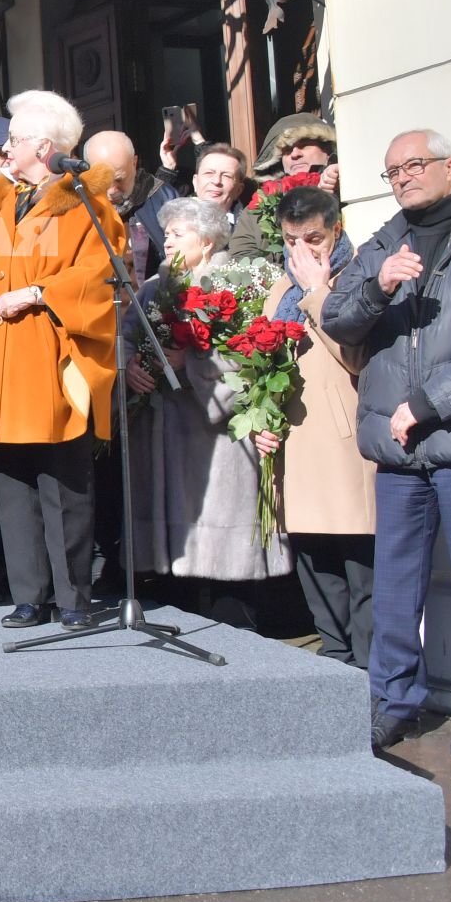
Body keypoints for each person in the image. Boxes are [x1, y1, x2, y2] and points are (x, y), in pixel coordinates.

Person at [323, 129, 451, 761]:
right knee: (396, 583)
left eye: (416, 164)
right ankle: (394, 701)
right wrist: (376, 286)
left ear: (450, 167)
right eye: (392, 170)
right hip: (398, 448)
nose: (405, 176)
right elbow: (337, 318)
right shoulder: (382, 245)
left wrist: (427, 405)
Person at [0, 89, 121, 632]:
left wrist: (37, 293)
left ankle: (73, 598)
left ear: (44, 146)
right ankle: (28, 595)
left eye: (13, 138)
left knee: (61, 480)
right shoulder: (1, 201)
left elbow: (99, 278)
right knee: (9, 480)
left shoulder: (88, 203)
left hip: (50, 356)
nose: (4, 146)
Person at [125, 198, 290, 624]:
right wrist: (130, 367)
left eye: (180, 233)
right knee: (176, 554)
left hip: (214, 437)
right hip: (163, 430)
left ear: (208, 240)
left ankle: (239, 629)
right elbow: (124, 336)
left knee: (222, 552)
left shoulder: (231, 285)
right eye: (169, 232)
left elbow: (249, 357)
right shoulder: (150, 288)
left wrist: (191, 364)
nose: (169, 240)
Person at [254, 186, 376, 669]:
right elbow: (261, 369)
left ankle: (369, 674)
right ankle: (335, 658)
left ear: (336, 231)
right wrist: (259, 425)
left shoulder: (358, 276)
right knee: (313, 564)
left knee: (360, 569)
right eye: (291, 241)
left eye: (314, 239)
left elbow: (357, 356)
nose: (302, 252)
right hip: (293, 447)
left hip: (344, 446)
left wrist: (317, 291)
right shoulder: (279, 288)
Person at [83, 130, 176, 285]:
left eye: (119, 179)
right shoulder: (77, 204)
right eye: (103, 180)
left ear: (134, 162)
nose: (112, 191)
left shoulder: (163, 198)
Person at [192, 142, 268, 260]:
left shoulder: (255, 226)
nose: (217, 181)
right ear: (195, 182)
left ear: (238, 190)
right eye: (209, 173)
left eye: (226, 176)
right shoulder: (173, 221)